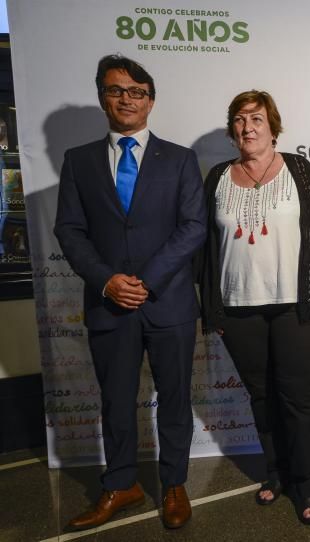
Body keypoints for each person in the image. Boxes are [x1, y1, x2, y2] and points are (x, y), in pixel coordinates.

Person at [54, 55, 206, 530]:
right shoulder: (78, 161)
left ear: (151, 100)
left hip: (170, 302)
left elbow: (192, 227)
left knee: (175, 398)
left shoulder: (180, 159)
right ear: (102, 96)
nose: (127, 98)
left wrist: (146, 282)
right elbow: (70, 230)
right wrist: (108, 281)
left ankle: (174, 482)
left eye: (136, 91)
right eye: (116, 89)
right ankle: (120, 483)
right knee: (115, 400)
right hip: (108, 303)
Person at [196, 90, 310, 525]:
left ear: (273, 126)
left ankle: (309, 482)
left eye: (256, 118)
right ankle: (275, 473)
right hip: (239, 310)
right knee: (262, 397)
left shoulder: (298, 170)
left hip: (298, 307)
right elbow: (204, 249)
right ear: (232, 129)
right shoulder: (218, 176)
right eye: (239, 119)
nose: (247, 126)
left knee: (299, 400)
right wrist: (212, 310)